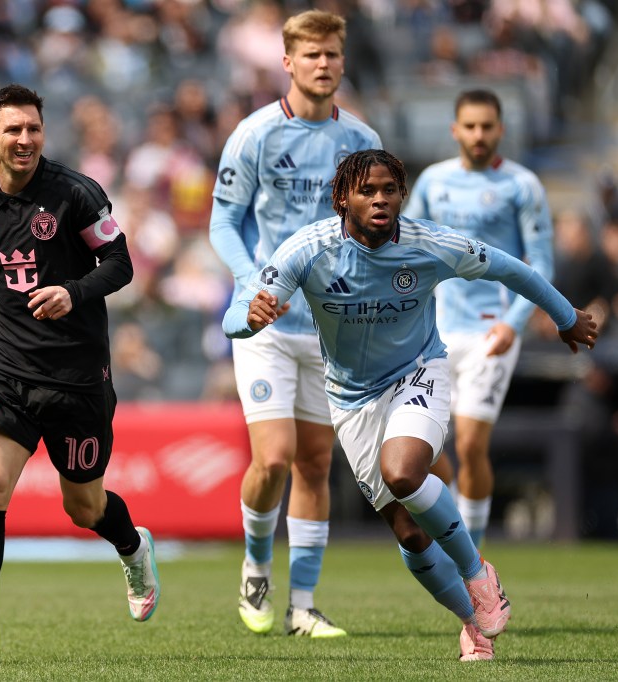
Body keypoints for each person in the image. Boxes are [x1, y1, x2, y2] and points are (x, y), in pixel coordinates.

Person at [222, 149, 597, 661]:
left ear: (401, 195)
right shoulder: (307, 250)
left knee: (403, 472)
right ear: (341, 199)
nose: (380, 199)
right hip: (351, 400)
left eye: (389, 190)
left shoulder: (431, 244)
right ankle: (473, 624)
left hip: (417, 372)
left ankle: (477, 573)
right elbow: (235, 318)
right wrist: (252, 318)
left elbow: (514, 271)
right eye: (367, 191)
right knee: (409, 536)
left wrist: (564, 316)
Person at [0, 83, 159, 665]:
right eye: (14, 130)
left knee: (84, 508)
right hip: (5, 371)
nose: (25, 139)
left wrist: (73, 294)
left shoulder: (76, 194)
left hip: (77, 379)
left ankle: (132, 547)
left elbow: (121, 262)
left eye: (34, 129)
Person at [208, 9, 382, 638]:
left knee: (315, 464)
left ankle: (302, 606)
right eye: (312, 55)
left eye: (333, 55)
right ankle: (256, 566)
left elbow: (375, 231)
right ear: (287, 61)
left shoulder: (361, 142)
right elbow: (224, 222)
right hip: (269, 325)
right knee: (274, 459)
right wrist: (252, 280)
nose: (324, 64)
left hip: (332, 329)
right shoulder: (255, 135)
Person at [402, 88, 555, 549]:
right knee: (422, 448)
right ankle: (454, 528)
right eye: (470, 126)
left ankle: (474, 560)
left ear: (501, 130)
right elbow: (406, 246)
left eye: (487, 126)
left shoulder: (522, 185)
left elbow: (542, 263)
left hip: (492, 330)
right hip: (434, 334)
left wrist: (516, 321)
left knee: (469, 445)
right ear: (455, 130)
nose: (478, 134)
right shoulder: (432, 182)